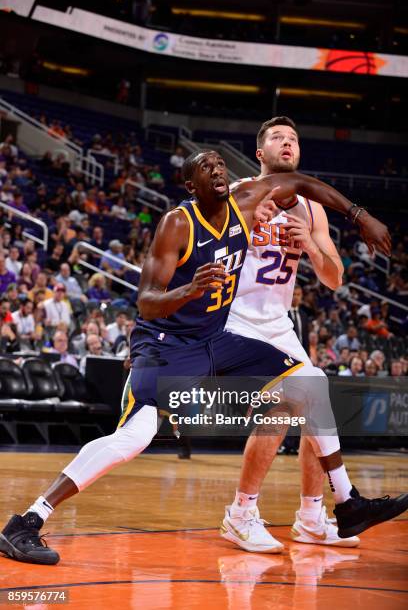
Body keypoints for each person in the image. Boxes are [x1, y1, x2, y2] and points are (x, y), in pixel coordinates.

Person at [0, 149, 400, 566]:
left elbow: (302, 182)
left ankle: (348, 502)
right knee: (134, 438)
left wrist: (359, 216)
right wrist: (188, 290)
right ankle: (26, 522)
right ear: (192, 185)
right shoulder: (177, 223)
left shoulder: (244, 208)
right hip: (165, 343)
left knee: (310, 382)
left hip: (215, 340)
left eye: (220, 165)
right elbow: (147, 302)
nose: (217, 170)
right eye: (206, 168)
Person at [220, 116, 400, 553]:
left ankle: (312, 517)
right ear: (260, 153)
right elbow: (208, 249)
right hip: (234, 322)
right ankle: (241, 513)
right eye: (278, 137)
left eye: (294, 138)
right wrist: (245, 229)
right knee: (288, 404)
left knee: (314, 401)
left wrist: (314, 245)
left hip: (279, 324)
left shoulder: (312, 208)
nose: (288, 142)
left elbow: (335, 278)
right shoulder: (238, 193)